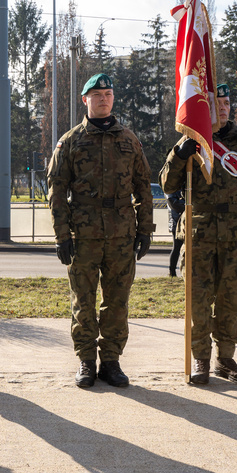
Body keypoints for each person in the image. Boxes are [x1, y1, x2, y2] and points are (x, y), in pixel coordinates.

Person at [47, 73, 155, 389]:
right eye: (97, 94)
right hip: (83, 236)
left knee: (117, 302)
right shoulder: (70, 141)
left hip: (122, 234)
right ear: (86, 100)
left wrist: (145, 229)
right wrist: (61, 235)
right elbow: (56, 190)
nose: (103, 98)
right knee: (83, 301)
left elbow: (142, 187)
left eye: (108, 93)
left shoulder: (129, 140)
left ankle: (111, 362)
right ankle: (85, 361)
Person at [159, 83, 237, 385]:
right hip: (199, 233)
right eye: (215, 102)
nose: (222, 107)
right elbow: (168, 184)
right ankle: (200, 358)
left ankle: (226, 357)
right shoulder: (190, 140)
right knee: (198, 301)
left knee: (230, 299)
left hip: (236, 235)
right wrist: (180, 155)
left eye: (225, 102)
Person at [165, 190, 185, 278]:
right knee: (177, 248)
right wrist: (189, 205)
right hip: (176, 223)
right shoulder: (170, 189)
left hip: (185, 221)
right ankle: (172, 272)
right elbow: (174, 204)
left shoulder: (183, 187)